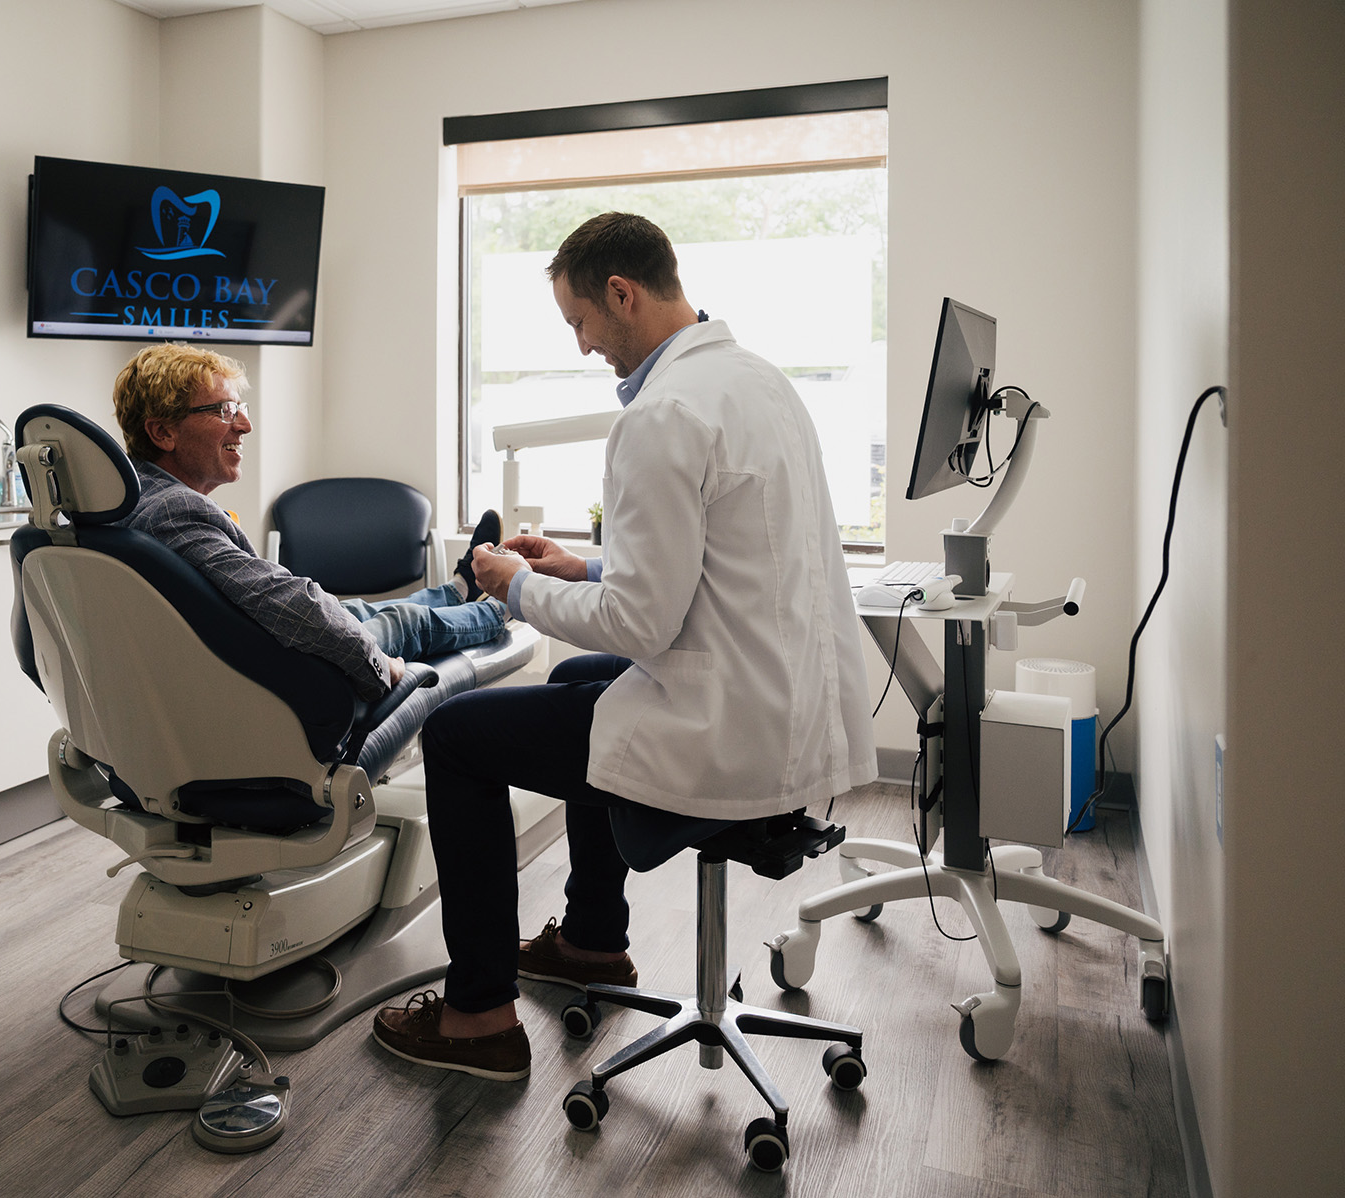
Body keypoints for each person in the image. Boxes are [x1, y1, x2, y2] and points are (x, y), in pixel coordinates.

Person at [372, 213, 876, 1081]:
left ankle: (479, 1014)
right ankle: (594, 941)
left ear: (620, 293)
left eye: (580, 322)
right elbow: (723, 559)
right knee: (579, 676)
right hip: (791, 708)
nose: (582, 346)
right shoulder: (760, 384)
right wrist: (584, 564)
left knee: (457, 738)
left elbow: (640, 624)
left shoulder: (662, 414)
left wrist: (514, 586)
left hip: (728, 733)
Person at [112, 342, 509, 700]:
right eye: (224, 410)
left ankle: (459, 590)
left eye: (240, 408)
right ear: (163, 432)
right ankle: (506, 602)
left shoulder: (130, 502)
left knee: (358, 611)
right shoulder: (175, 513)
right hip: (283, 668)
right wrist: (378, 663)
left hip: (256, 647)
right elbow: (282, 601)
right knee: (406, 623)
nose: (245, 425)